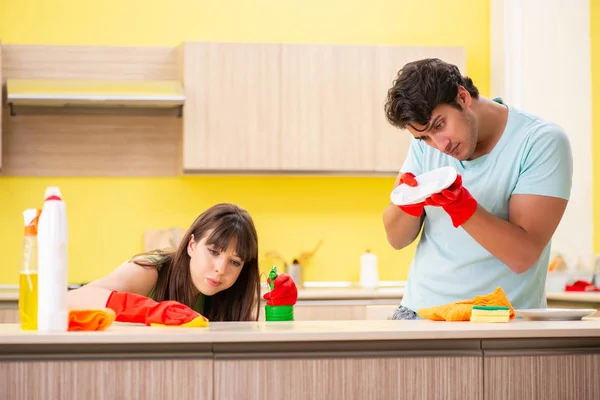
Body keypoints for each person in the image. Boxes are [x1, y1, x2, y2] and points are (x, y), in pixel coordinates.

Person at [382, 58, 573, 320]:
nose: (439, 145)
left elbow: (523, 256)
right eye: (424, 137)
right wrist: (409, 203)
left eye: (439, 125)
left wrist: (461, 206)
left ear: (462, 97)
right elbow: (396, 239)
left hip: (499, 322)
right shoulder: (425, 145)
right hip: (419, 315)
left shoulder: (539, 141)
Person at [68, 202, 262, 324]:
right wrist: (151, 310)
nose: (220, 269)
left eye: (235, 262)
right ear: (191, 245)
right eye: (213, 251)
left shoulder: (229, 294)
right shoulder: (148, 272)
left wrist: (278, 309)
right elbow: (70, 300)